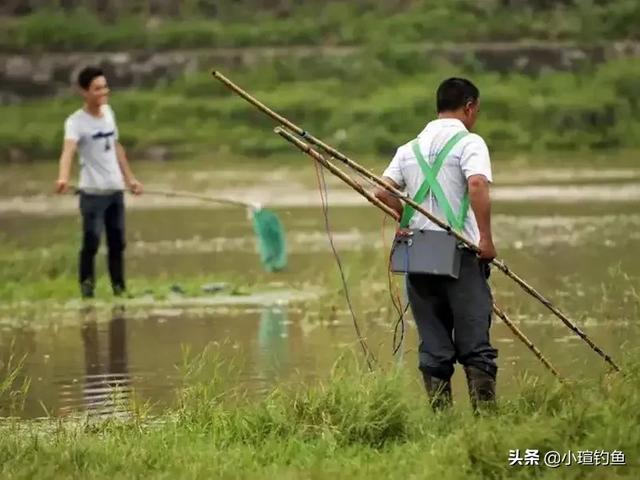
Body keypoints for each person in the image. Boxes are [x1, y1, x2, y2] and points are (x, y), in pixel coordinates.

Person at [375, 77, 498, 411]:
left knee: (433, 345)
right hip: (461, 254)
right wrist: (485, 239)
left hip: (418, 254)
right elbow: (476, 183)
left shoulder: (408, 149)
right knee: (475, 345)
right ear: (469, 107)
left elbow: (381, 190)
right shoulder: (469, 143)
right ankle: (487, 424)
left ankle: (441, 425)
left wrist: (406, 219)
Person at [55, 66, 143, 299]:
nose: (104, 92)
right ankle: (87, 288)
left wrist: (130, 179)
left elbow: (116, 147)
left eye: (105, 87)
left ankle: (119, 288)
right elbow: (68, 151)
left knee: (117, 242)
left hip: (114, 189)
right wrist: (63, 177)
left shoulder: (109, 113)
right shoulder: (75, 122)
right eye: (97, 88)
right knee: (91, 241)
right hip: (92, 193)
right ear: (84, 92)